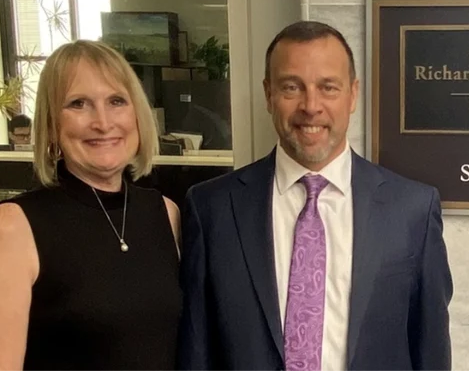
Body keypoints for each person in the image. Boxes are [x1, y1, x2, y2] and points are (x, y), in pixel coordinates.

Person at [177, 21, 452, 371]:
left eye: (328, 88)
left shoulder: (412, 209)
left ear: (353, 95)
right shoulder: (211, 208)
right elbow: (197, 348)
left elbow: (431, 349)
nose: (311, 106)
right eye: (292, 87)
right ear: (268, 94)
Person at [0, 40, 184, 370]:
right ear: (52, 124)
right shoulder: (13, 227)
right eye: (78, 104)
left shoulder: (165, 213)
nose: (103, 122)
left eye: (117, 101)